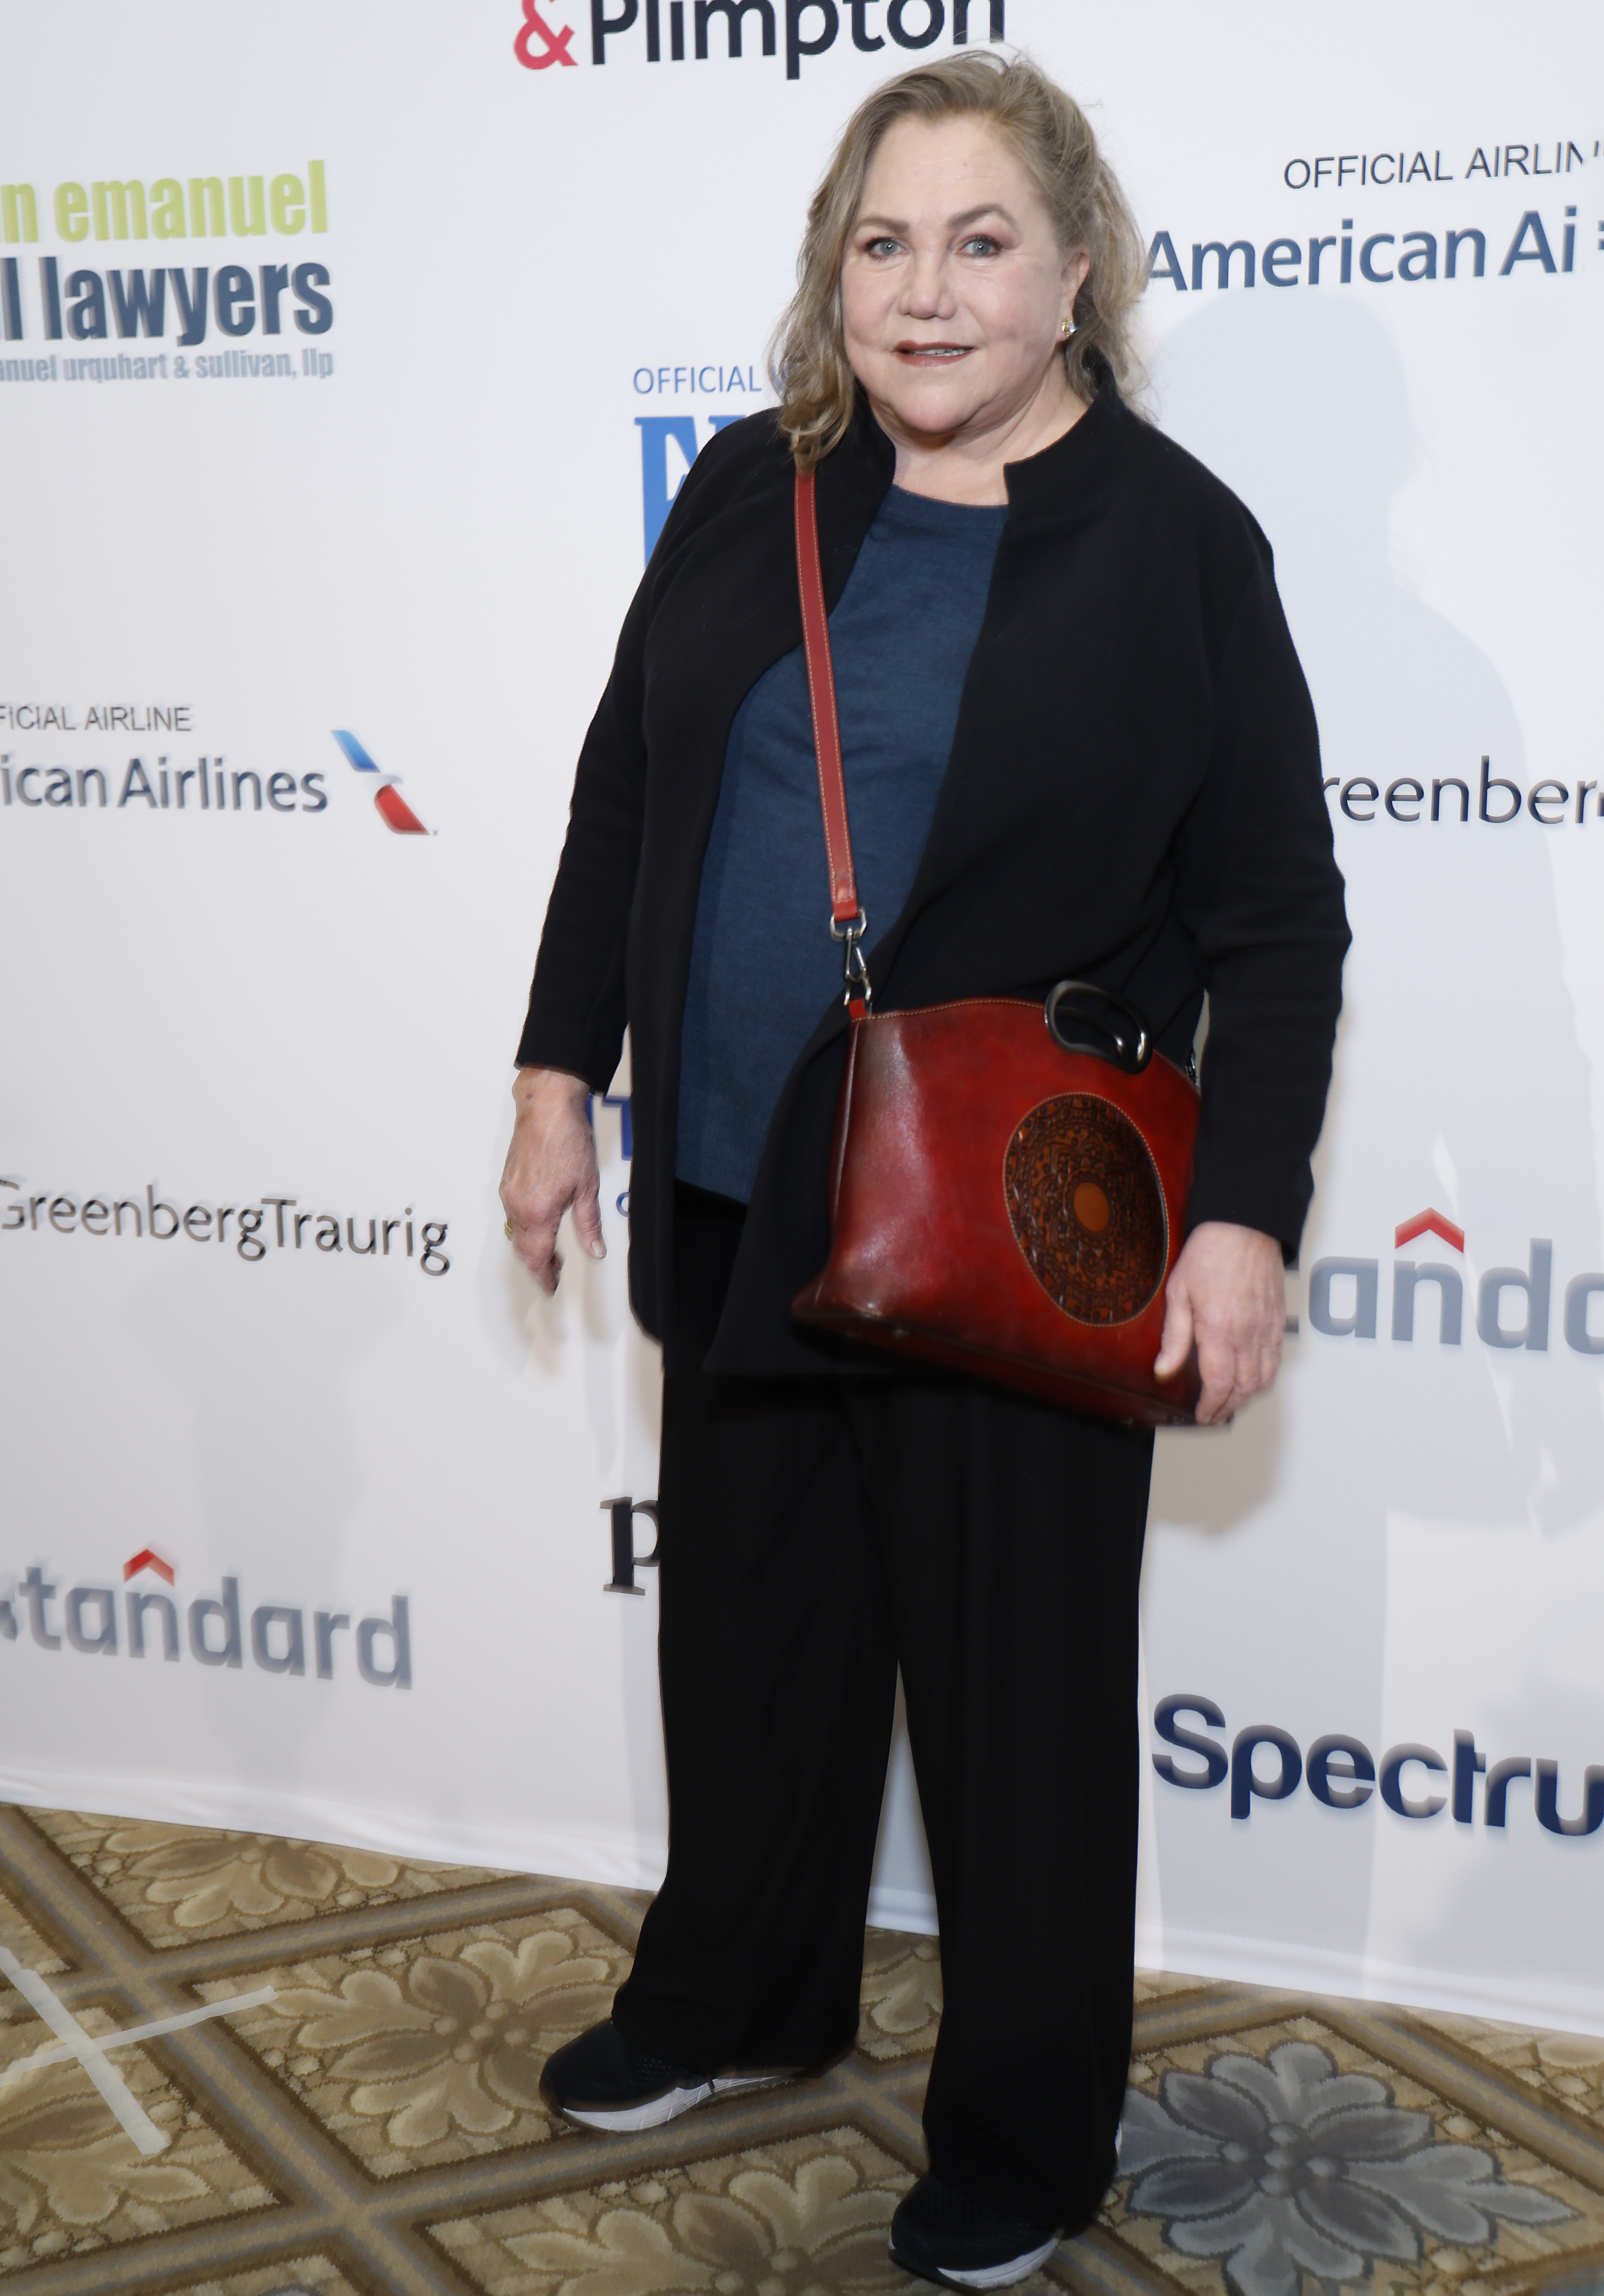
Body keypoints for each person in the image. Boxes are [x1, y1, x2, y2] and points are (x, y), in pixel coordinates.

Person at [500, 49, 1347, 2293]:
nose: (926, 289)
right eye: (883, 242)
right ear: (833, 275)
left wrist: (1245, 1216)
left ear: (1076, 270)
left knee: (1020, 1693)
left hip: (1006, 1216)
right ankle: (728, 1999)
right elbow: (623, 796)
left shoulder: (1177, 545)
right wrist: (549, 1070)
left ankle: (1023, 2129)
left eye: (981, 241)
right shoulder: (748, 491)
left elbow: (1279, 912)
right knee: (751, 1644)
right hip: (721, 1179)